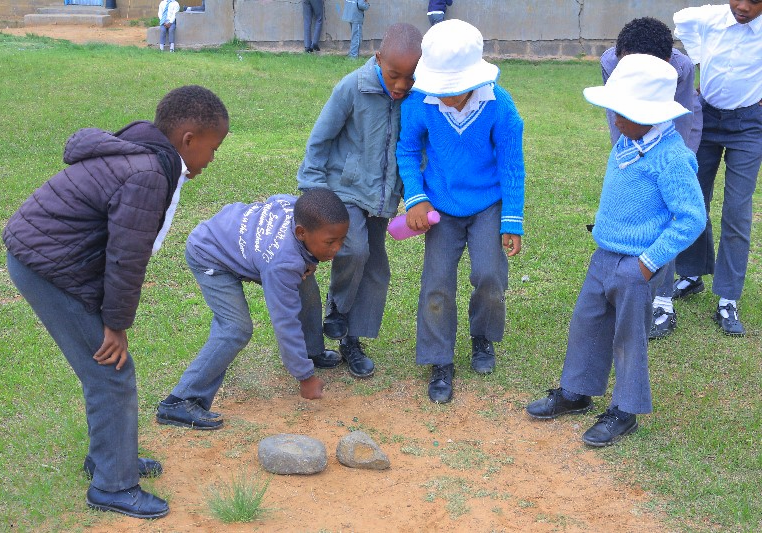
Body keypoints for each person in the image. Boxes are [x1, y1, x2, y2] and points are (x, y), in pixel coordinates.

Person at [3, 86, 230, 518]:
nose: (212, 158)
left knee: (105, 371)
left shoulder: (147, 153)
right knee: (112, 372)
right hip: (47, 266)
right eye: (213, 148)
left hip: (49, 256)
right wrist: (116, 325)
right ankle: (113, 485)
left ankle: (110, 458)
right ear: (188, 139)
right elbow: (127, 258)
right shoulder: (148, 174)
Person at [526, 54, 707, 446]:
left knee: (629, 337)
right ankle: (577, 391)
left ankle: (625, 410)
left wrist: (648, 262)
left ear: (651, 113)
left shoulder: (673, 157)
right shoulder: (628, 141)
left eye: (622, 111)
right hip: (605, 255)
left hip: (638, 265)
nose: (614, 118)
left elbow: (692, 218)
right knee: (587, 322)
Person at [396, 19, 525, 403]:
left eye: (455, 89)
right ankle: (440, 359)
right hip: (441, 206)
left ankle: (482, 337)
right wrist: (415, 197)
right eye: (442, 89)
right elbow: (407, 150)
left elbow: (511, 165)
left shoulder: (500, 106)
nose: (448, 97)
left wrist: (512, 219)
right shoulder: (420, 103)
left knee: (489, 276)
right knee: (436, 284)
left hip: (488, 204)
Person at [156, 190, 349, 430]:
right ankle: (179, 400)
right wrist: (304, 377)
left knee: (304, 286)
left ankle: (312, 352)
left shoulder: (295, 209)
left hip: (235, 238)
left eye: (342, 240)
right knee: (235, 329)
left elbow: (276, 199)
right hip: (209, 254)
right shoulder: (282, 263)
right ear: (301, 233)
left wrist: (308, 261)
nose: (337, 248)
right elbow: (285, 322)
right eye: (330, 242)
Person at [297, 23, 423, 379]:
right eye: (395, 75)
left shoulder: (416, 98)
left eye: (410, 78)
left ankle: (351, 340)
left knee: (376, 269)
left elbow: (414, 148)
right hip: (343, 190)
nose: (401, 85)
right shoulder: (352, 87)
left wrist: (416, 194)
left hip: (382, 197)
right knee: (354, 249)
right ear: (378, 58)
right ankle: (336, 309)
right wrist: (313, 189)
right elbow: (320, 139)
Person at [600, 16, 703, 340]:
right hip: (632, 133)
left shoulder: (681, 68)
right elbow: (617, 116)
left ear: (667, 61)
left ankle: (662, 300)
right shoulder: (610, 62)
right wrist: (629, 160)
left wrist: (673, 166)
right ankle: (622, 281)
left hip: (674, 133)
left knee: (670, 212)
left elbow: (680, 119)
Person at [672, 1, 762, 336]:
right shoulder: (710, 18)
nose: (744, 7)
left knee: (737, 211)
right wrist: (700, 59)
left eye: (755, 1)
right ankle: (691, 273)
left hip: (749, 126)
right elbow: (680, 19)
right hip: (705, 118)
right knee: (694, 199)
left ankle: (728, 298)